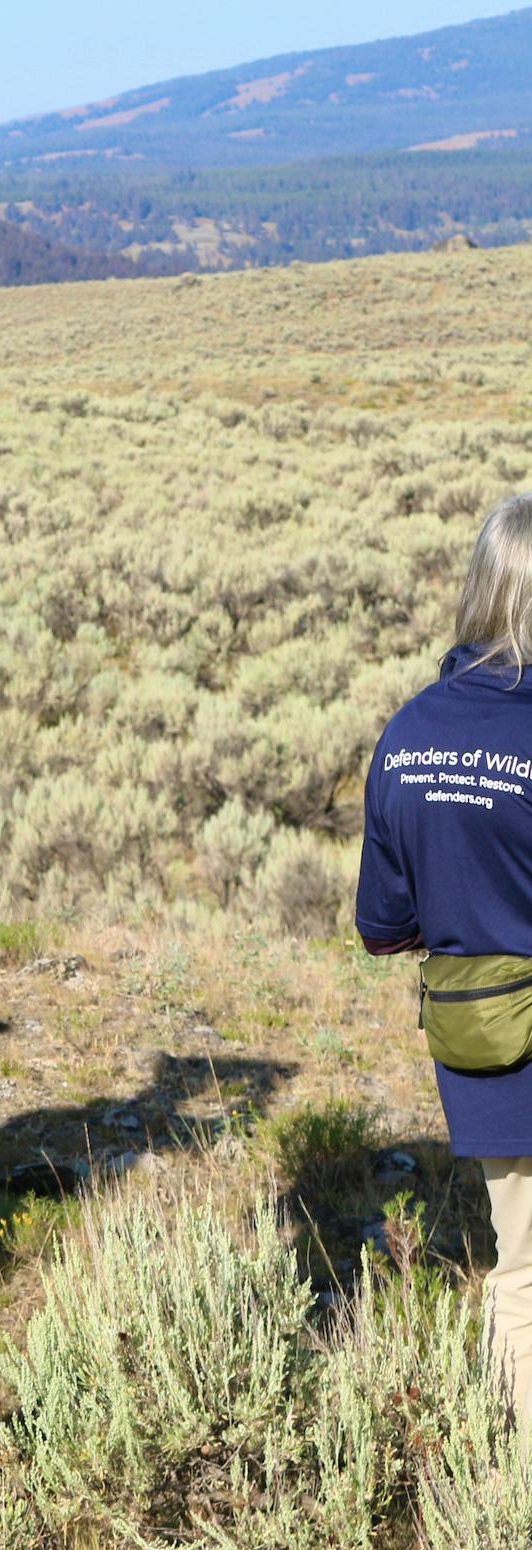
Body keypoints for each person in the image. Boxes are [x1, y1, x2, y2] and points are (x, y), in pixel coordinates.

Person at [358, 493, 532, 1426]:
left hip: (489, 1046)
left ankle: (514, 1507)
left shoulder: (411, 731)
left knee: (522, 1278)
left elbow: (382, 924)